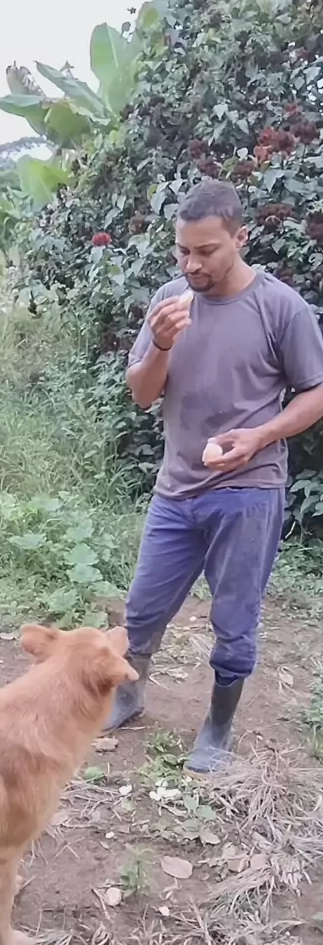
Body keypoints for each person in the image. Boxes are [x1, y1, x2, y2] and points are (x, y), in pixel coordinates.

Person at [105, 178, 323, 773]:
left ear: (239, 238)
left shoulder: (280, 307)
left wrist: (260, 435)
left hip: (249, 492)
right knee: (142, 609)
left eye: (206, 251)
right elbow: (142, 395)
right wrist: (160, 346)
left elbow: (315, 392)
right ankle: (129, 695)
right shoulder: (170, 301)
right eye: (183, 251)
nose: (191, 264)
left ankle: (218, 727)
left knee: (234, 619)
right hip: (176, 489)